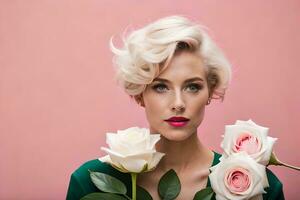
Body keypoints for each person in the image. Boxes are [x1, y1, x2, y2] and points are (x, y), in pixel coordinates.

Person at [66, 15, 284, 200]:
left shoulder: (258, 186)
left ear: (210, 91)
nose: (178, 103)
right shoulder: (90, 182)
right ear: (140, 94)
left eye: (192, 87)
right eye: (161, 87)